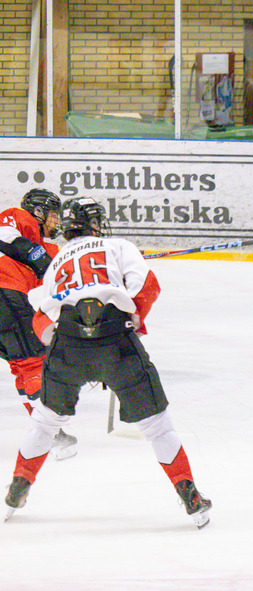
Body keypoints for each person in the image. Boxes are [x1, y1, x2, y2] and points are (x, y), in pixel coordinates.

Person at [3, 198, 212, 528]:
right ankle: (189, 493)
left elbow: (40, 316)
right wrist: (130, 323)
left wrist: (59, 343)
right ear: (94, 224)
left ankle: (19, 487)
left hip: (67, 344)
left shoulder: (56, 262)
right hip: (117, 341)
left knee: (44, 422)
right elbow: (147, 287)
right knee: (157, 425)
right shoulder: (118, 246)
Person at [0, 188, 77, 459]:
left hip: (7, 298)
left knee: (21, 364)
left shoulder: (40, 247)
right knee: (34, 361)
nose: (55, 223)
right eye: (53, 215)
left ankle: (44, 429)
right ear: (39, 211)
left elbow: (61, 264)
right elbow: (5, 236)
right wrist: (39, 257)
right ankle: (51, 434)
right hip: (3, 294)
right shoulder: (17, 217)